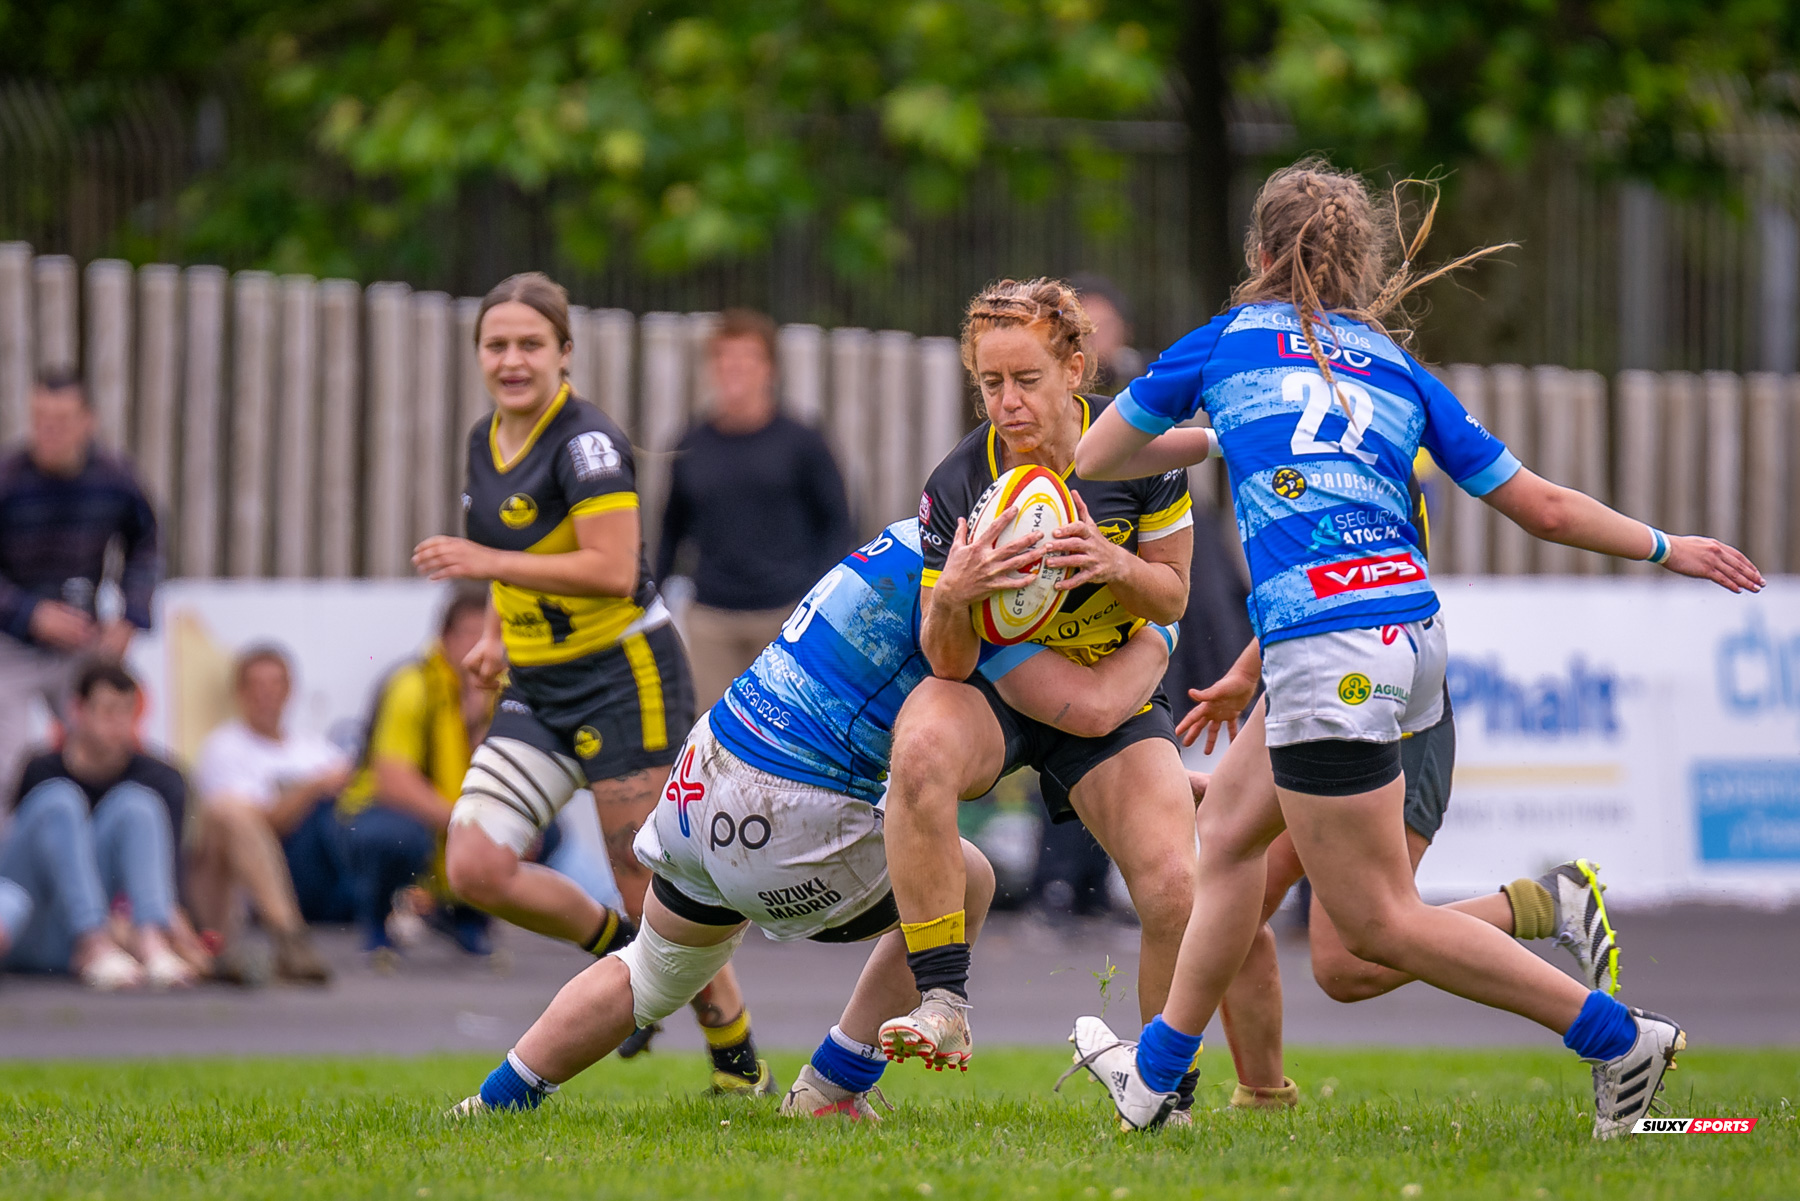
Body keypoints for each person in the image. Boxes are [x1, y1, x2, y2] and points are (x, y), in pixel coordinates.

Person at [1067, 158, 1763, 1138]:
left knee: (1377, 925)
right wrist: (1666, 544)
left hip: (1325, 653)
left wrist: (1206, 427)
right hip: (1415, 643)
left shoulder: (1221, 347)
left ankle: (1618, 1037)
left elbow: (1099, 455)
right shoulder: (1396, 369)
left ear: (1259, 254)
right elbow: (1544, 506)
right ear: (1358, 266)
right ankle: (1158, 1077)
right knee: (1224, 840)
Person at [446, 518, 1180, 1119]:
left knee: (653, 969)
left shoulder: (908, 535)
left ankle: (491, 1104)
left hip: (710, 769)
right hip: (788, 814)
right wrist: (1163, 636)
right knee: (969, 878)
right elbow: (1087, 713)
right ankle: (830, 1091)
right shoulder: (1000, 590)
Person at [412, 271, 767, 1095]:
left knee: (655, 889)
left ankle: (737, 1062)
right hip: (537, 682)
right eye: (496, 344)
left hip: (623, 675)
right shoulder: (483, 437)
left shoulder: (587, 443)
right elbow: (522, 552)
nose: (511, 359)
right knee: (472, 865)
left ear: (564, 354)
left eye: (530, 344)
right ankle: (620, 959)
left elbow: (611, 569)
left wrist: (483, 564)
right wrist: (498, 635)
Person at [876, 278, 1205, 1110]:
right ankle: (943, 1000)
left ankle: (1162, 1087)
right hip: (1002, 687)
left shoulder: (1143, 450)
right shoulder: (959, 482)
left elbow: (1172, 596)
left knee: (1172, 883)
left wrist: (1112, 562)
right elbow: (946, 662)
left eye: (1027, 380)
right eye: (991, 383)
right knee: (918, 748)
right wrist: (954, 594)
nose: (1008, 402)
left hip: (1113, 689)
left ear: (1076, 368)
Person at [657, 308, 853, 710]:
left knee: (789, 731)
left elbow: (837, 522)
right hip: (711, 618)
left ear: (769, 368)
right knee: (712, 734)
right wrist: (653, 599)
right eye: (724, 358)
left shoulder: (802, 441)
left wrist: (820, 603)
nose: (735, 369)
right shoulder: (690, 443)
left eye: (746, 358)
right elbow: (670, 529)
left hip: (785, 616)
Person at [0, 370, 160, 799]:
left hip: (82, 644)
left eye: (61, 419)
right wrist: (29, 614)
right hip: (9, 646)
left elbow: (146, 543)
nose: (47, 430)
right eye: (39, 418)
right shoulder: (8, 479)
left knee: (108, 753)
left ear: (88, 421)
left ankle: (101, 854)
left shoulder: (115, 478)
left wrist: (129, 617)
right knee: (5, 768)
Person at [0, 661, 194, 989]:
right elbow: (25, 868)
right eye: (107, 712)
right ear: (77, 710)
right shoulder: (40, 769)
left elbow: (166, 872)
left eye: (126, 713)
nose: (118, 725)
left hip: (112, 927)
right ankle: (92, 940)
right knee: (61, 800)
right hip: (33, 915)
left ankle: (151, 942)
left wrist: (181, 936)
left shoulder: (161, 778)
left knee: (138, 804)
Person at [335, 585, 500, 958]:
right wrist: (463, 819)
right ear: (444, 639)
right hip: (377, 813)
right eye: (468, 634)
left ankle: (467, 917)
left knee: (539, 827)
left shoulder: (498, 692)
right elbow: (392, 782)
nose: (477, 645)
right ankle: (377, 921)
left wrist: (475, 721)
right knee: (395, 837)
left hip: (447, 813)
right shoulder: (412, 685)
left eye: (486, 635)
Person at [190, 646, 345, 984]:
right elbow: (258, 825)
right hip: (235, 882)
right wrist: (312, 788)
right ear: (240, 693)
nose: (266, 694)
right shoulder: (223, 747)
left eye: (275, 684)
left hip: (315, 869)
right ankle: (287, 934)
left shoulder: (314, 747)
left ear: (290, 690)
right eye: (256, 685)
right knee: (228, 810)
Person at [1070, 274, 1145, 397]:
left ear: (1126, 330)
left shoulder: (1145, 375)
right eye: (1087, 329)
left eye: (1106, 327)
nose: (1097, 337)